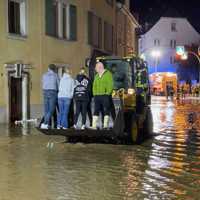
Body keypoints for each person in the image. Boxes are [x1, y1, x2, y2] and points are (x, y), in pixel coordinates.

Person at [91, 62, 113, 129]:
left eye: (96, 68)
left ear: (100, 67)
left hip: (105, 95)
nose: (95, 69)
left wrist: (107, 93)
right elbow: (94, 85)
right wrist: (94, 94)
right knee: (96, 110)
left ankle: (105, 125)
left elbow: (110, 84)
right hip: (97, 96)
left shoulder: (108, 74)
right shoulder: (96, 76)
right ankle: (94, 125)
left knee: (106, 109)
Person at [41, 64, 59, 129]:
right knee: (51, 109)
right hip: (53, 92)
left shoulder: (44, 75)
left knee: (46, 110)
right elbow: (58, 84)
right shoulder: (55, 75)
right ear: (54, 69)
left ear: (48, 68)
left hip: (45, 92)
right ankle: (45, 123)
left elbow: (42, 83)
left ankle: (47, 124)